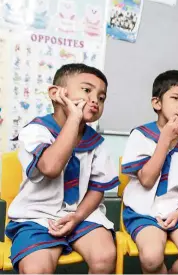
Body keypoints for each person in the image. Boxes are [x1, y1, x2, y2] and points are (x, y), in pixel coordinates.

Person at [6, 63, 120, 274]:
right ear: (56, 93)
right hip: (36, 217)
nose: (95, 99)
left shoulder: (97, 142)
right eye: (87, 90)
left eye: (101, 97)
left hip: (81, 215)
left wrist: (77, 217)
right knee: (36, 269)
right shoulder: (36, 131)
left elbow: (97, 189)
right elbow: (51, 167)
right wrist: (74, 119)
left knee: (105, 257)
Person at [121, 70, 178, 274]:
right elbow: (146, 180)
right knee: (152, 258)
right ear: (157, 103)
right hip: (144, 212)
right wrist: (165, 139)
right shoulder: (141, 136)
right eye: (176, 98)